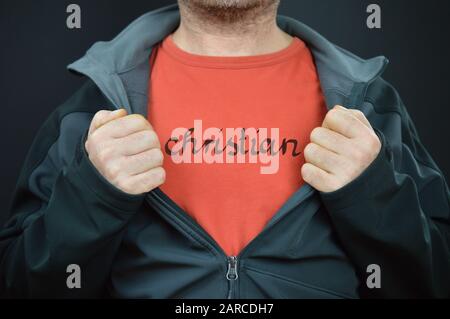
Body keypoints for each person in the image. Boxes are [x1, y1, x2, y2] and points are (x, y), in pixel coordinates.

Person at [0, 1, 449, 298]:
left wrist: (372, 195)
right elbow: (18, 284)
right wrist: (91, 197)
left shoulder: (369, 104)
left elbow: (435, 279)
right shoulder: (92, 109)